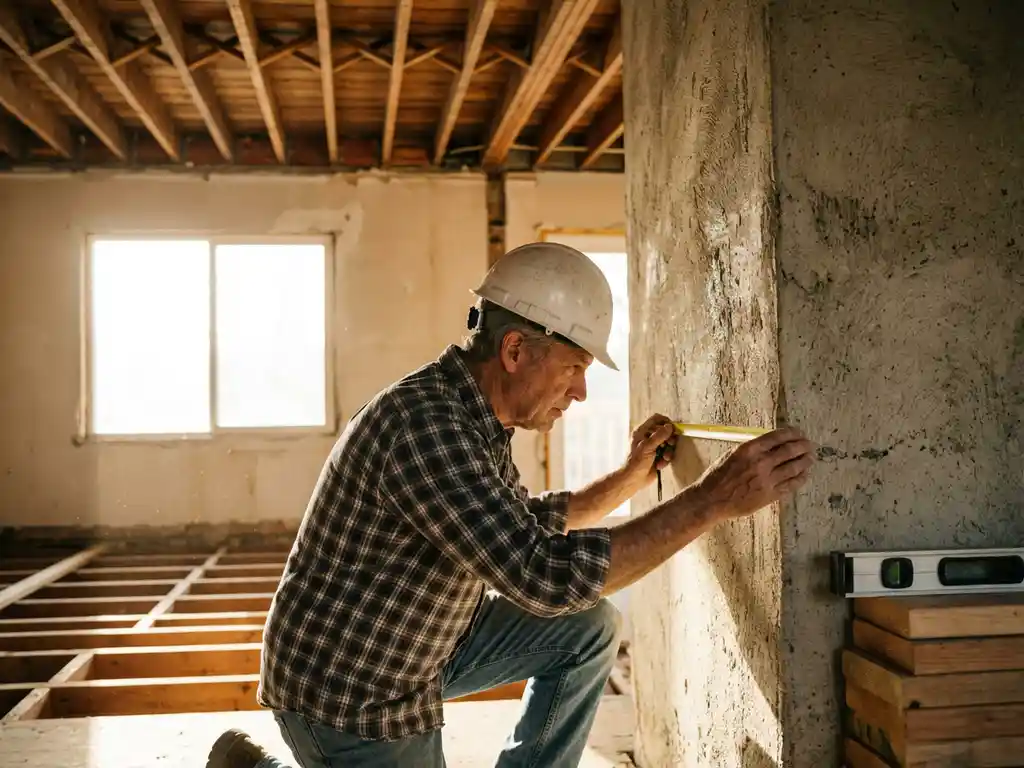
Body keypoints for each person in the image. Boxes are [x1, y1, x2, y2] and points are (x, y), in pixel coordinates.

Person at [205, 242, 815, 768]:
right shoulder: (428, 428)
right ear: (517, 350)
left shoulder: (474, 414)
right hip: (353, 686)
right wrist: (711, 500)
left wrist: (630, 479)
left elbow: (518, 523)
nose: (580, 391)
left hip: (421, 643)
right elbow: (541, 577)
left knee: (588, 630)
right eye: (575, 367)